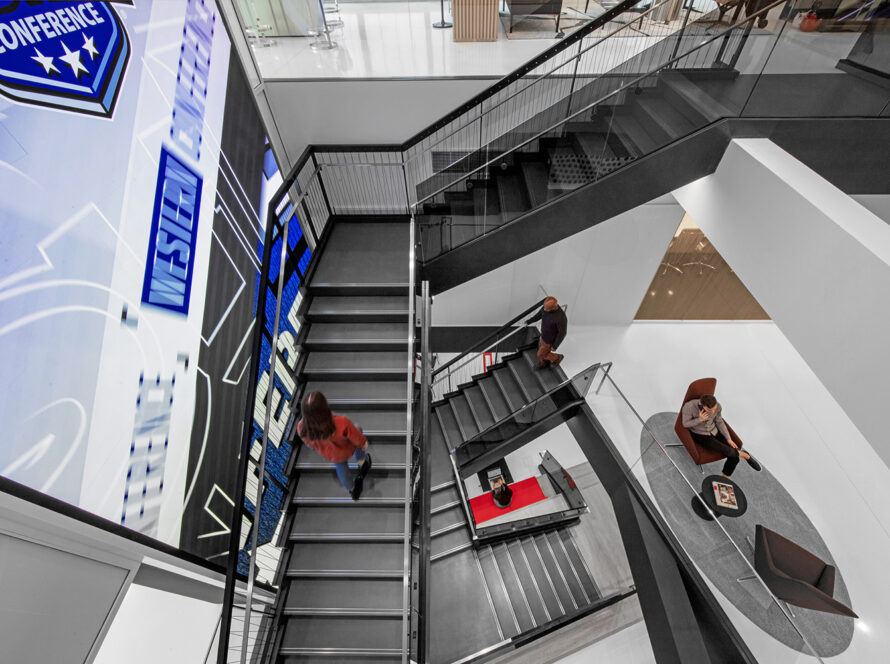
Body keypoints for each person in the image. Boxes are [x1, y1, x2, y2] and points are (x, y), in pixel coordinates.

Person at [297, 391, 372, 501]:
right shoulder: (341, 422)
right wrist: (363, 443)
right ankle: (362, 463)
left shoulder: (302, 428)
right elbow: (356, 437)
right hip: (346, 448)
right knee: (358, 429)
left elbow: (310, 444)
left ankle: (352, 489)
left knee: (342, 470)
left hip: (331, 454)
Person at [681, 394, 761, 478]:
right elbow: (685, 424)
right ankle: (745, 455)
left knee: (734, 458)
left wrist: (728, 438)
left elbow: (719, 422)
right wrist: (699, 420)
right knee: (727, 450)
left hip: (714, 431)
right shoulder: (689, 407)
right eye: (709, 410)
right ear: (701, 404)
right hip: (700, 435)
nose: (712, 412)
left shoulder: (717, 406)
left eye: (714, 409)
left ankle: (725, 478)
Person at [528, 296, 567, 369]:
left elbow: (562, 333)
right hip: (543, 336)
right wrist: (528, 322)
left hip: (549, 340)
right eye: (544, 307)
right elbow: (538, 315)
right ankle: (543, 363)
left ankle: (557, 358)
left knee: (540, 354)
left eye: (546, 309)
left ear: (553, 308)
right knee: (542, 351)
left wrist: (555, 346)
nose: (544, 310)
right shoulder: (546, 307)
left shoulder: (560, 318)